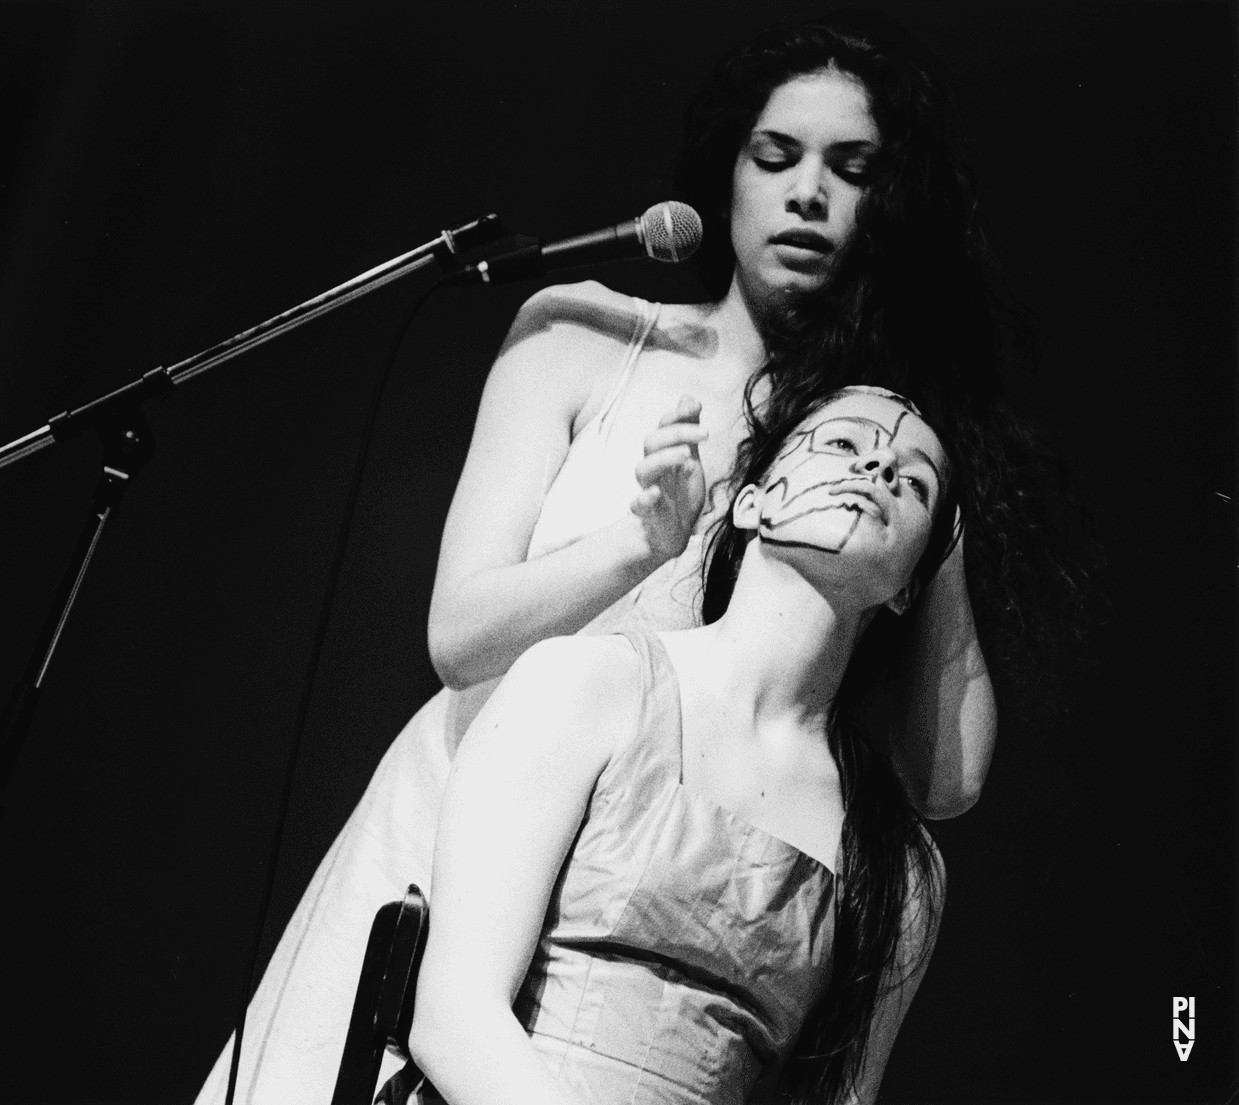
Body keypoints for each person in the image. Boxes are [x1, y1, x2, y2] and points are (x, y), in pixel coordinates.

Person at [196, 12, 1060, 1103]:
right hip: (477, 832)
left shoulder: (866, 439)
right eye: (776, 156)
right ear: (727, 172)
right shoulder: (584, 333)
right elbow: (459, 637)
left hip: (658, 891)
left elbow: (946, 779)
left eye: (852, 170)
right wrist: (637, 544)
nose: (808, 194)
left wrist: (925, 472)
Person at [408, 385, 956, 1105]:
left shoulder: (898, 866)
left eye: (914, 481)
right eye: (846, 443)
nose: (881, 466)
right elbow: (454, 1016)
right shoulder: (583, 685)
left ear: (910, 589)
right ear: (752, 501)